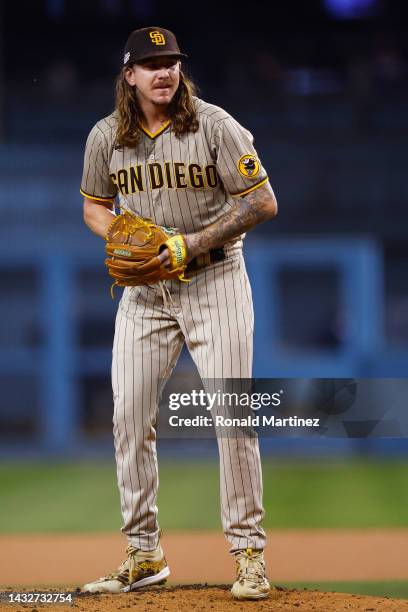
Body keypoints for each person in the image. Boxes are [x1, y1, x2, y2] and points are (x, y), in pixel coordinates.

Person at [80, 26, 278, 601]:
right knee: (128, 417)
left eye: (170, 62)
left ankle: (248, 555)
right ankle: (144, 554)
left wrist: (188, 245)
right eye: (150, 63)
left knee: (232, 414)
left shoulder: (215, 124)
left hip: (214, 277)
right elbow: (94, 206)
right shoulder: (105, 137)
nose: (163, 71)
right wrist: (124, 233)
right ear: (130, 75)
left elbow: (262, 200)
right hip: (146, 294)